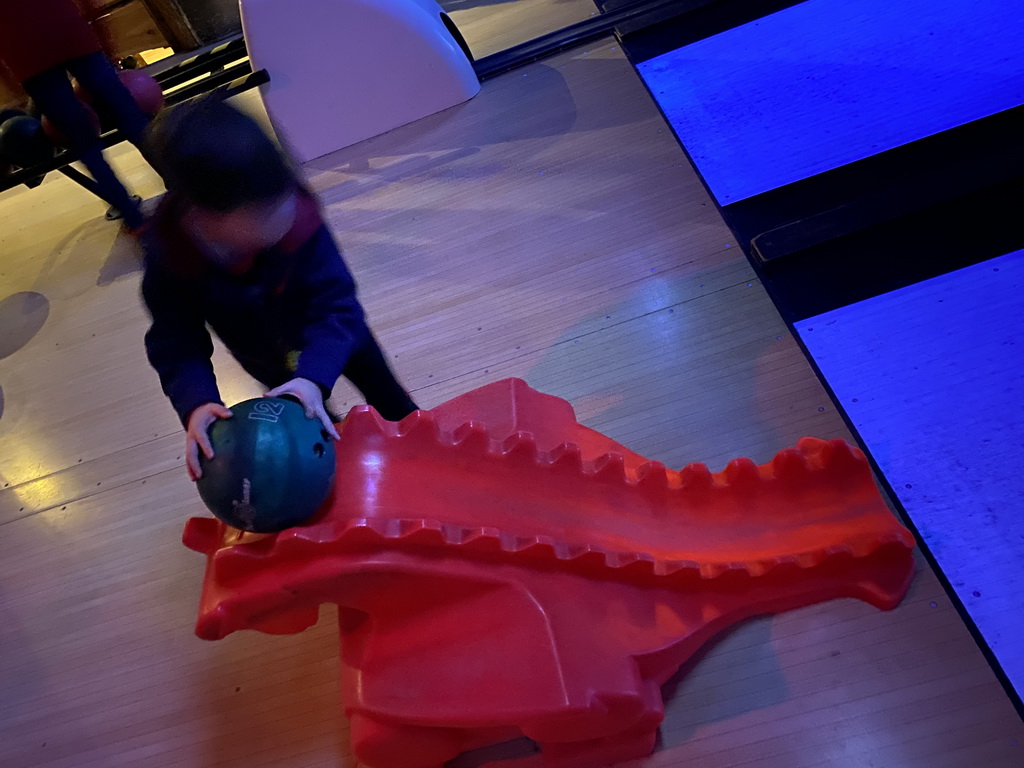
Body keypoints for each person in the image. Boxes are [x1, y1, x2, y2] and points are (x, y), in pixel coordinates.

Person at [140, 96, 419, 481]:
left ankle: (424, 457)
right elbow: (177, 342)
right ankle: (342, 480)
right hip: (268, 360)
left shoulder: (298, 218)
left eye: (283, 201)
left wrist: (313, 375)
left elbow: (337, 305)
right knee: (308, 433)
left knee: (391, 401)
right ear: (201, 215)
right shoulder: (171, 254)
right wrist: (197, 402)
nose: (283, 218)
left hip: (338, 336)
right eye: (262, 214)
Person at [0, 0, 153, 228]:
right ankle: (183, 186)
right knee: (132, 119)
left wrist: (16, 89)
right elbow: (86, 3)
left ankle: (133, 218)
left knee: (85, 144)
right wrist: (103, 40)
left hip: (29, 59)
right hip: (72, 35)